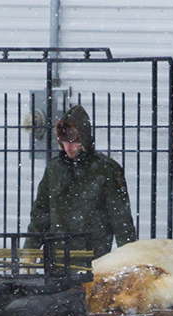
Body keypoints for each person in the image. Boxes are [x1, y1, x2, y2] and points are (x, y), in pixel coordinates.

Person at [28, 104, 136, 259]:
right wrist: (30, 250)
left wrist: (129, 259)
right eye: (63, 141)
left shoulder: (106, 170)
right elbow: (40, 213)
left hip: (91, 259)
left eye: (72, 141)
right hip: (56, 259)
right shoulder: (54, 169)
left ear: (83, 139)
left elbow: (121, 220)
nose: (68, 147)